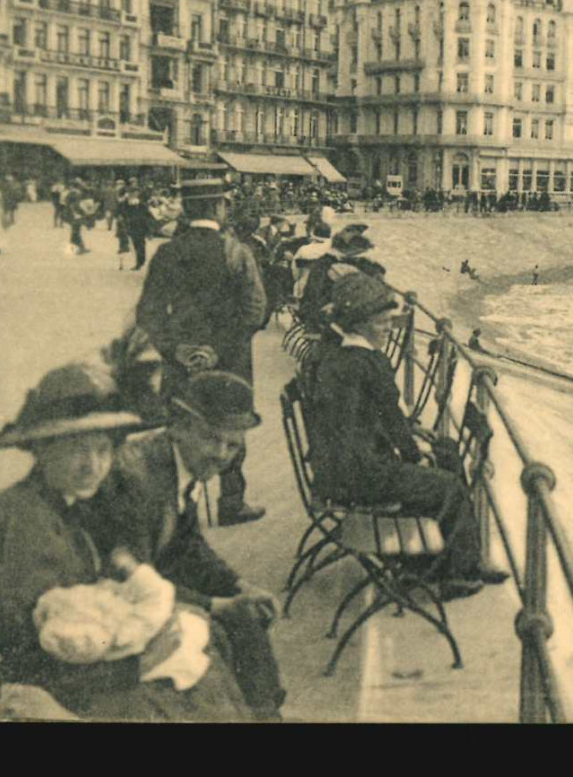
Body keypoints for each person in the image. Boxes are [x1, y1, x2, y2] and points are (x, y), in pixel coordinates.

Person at [0, 363, 251, 721]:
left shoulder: (68, 505)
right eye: (76, 450)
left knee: (204, 654)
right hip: (48, 689)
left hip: (84, 664)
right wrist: (144, 656)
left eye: (102, 450)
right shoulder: (17, 519)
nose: (92, 466)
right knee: (192, 682)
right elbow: (28, 647)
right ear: (42, 449)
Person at [81, 371, 286, 720]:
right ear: (179, 427)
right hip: (103, 604)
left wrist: (238, 585)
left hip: (141, 585)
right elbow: (127, 579)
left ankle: (264, 713)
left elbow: (186, 544)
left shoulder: (175, 462)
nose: (221, 454)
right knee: (221, 630)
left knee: (247, 615)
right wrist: (213, 604)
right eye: (211, 438)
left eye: (232, 445)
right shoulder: (138, 479)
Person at [306, 272, 509, 600]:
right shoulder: (371, 363)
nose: (389, 328)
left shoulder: (336, 356)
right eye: (382, 322)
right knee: (449, 486)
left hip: (336, 470)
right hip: (360, 477)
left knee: (445, 450)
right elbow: (394, 424)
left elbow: (368, 420)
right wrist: (415, 452)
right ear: (359, 324)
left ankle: (447, 558)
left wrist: (418, 445)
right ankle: (459, 573)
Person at [135, 176, 268, 527]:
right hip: (230, 360)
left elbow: (147, 313)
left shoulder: (167, 252)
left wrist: (177, 350)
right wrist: (216, 350)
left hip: (180, 363)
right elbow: (255, 311)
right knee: (231, 425)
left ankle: (179, 506)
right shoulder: (237, 252)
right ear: (216, 207)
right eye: (224, 204)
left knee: (181, 425)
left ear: (188, 209)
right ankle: (231, 501)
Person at [297, 225, 386, 334]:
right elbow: (316, 296)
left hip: (328, 312)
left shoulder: (331, 261)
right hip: (322, 316)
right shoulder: (328, 265)